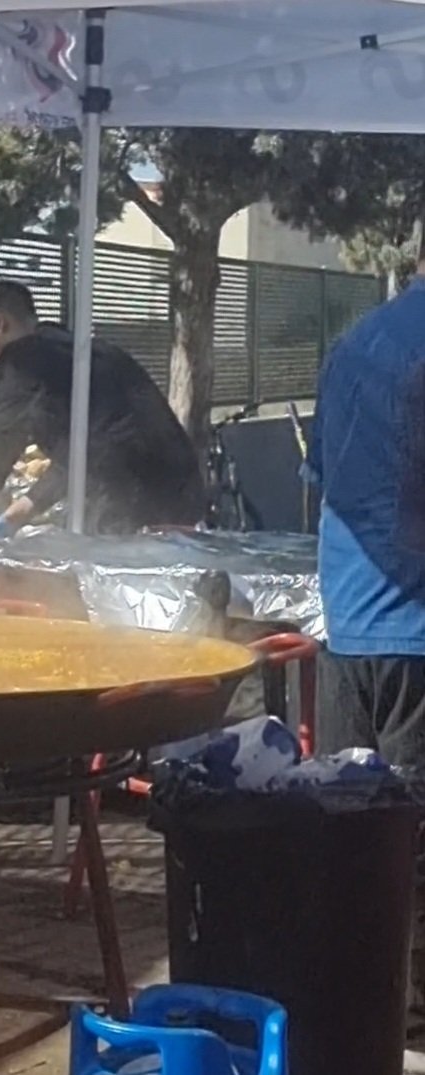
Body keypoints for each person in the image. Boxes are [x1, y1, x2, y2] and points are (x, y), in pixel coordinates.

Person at [307, 253, 425, 1018]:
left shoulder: (353, 344)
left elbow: (323, 477)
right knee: (410, 834)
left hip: (348, 623)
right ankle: (405, 1005)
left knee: (347, 827)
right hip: (416, 632)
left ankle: (347, 1000)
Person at [0, 280, 203, 557]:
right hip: (181, 493)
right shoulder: (80, 352)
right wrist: (11, 519)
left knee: (109, 573)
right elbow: (77, 458)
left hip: (131, 495)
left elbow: (2, 443)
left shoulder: (23, 356)